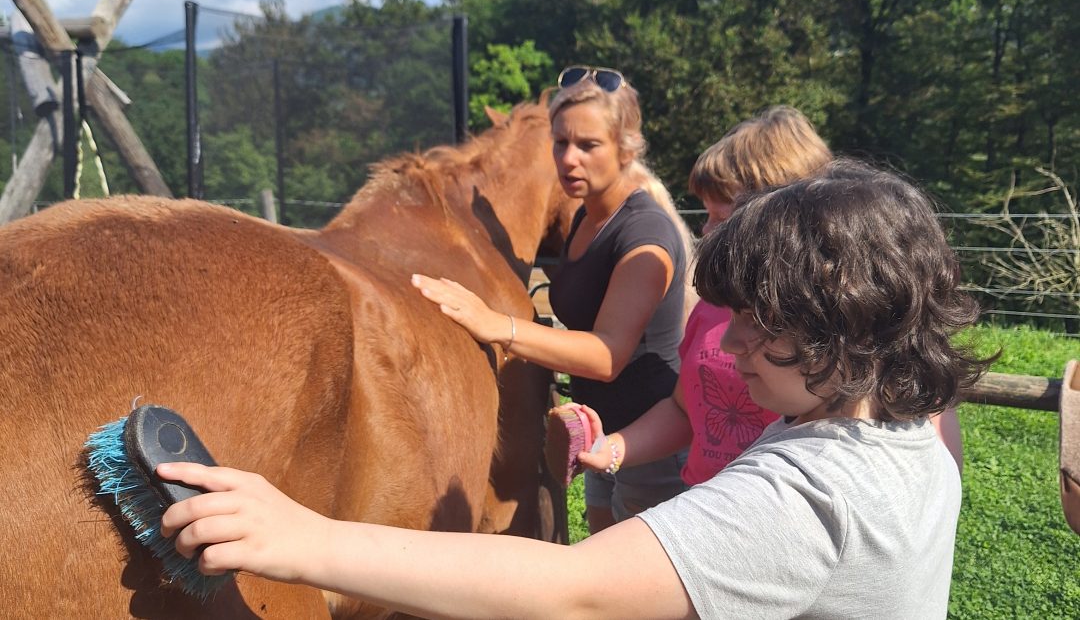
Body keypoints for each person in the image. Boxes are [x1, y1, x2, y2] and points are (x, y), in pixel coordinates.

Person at [160, 161, 992, 618]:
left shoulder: (806, 496)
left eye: (760, 322)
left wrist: (302, 538)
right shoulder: (908, 428)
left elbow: (574, 591)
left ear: (847, 325)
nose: (729, 340)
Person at [411, 65, 691, 532]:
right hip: (599, 438)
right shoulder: (586, 218)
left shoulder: (645, 236)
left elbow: (607, 355)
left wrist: (501, 326)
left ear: (625, 147)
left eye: (588, 145)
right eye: (560, 143)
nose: (568, 160)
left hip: (649, 449)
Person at [563, 105, 834, 486]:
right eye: (706, 216)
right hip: (701, 507)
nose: (706, 232)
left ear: (785, 219)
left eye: (722, 219)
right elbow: (683, 410)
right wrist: (614, 448)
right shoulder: (711, 307)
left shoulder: (838, 329)